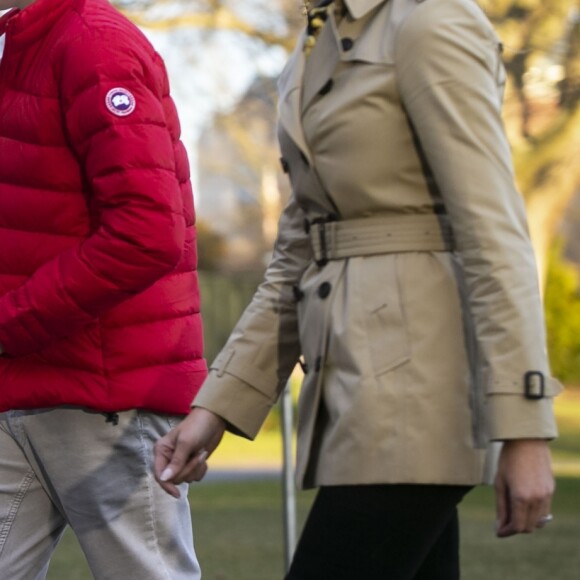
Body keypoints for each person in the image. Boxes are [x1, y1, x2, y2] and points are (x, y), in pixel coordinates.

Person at [154, 0, 561, 578]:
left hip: (420, 394)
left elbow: (494, 231)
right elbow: (297, 253)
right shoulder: (314, 44)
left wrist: (525, 428)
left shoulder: (432, 22)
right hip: (350, 386)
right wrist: (215, 408)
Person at [0, 0, 206, 578]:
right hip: (20, 389)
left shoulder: (93, 42)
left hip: (108, 398)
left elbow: (146, 233)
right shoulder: (17, 45)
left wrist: (9, 322)